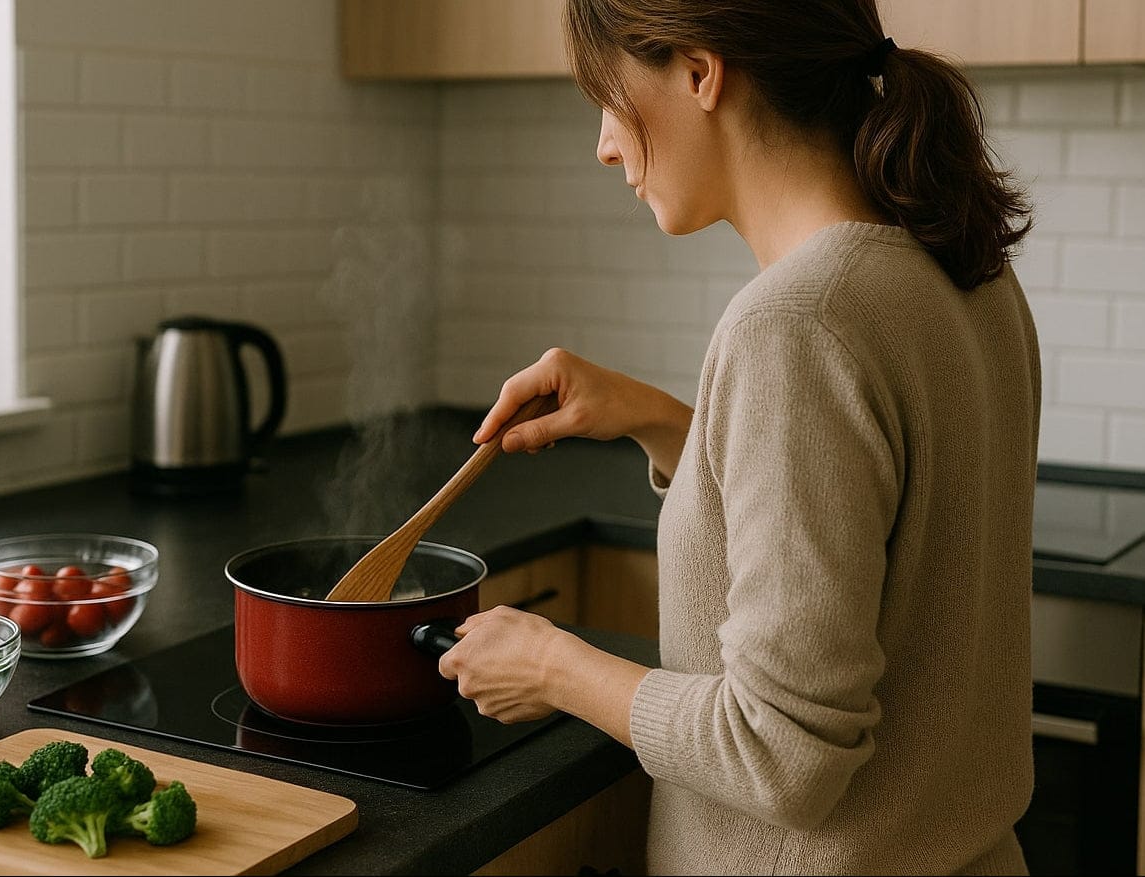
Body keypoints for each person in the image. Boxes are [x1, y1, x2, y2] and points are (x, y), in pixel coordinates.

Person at [436, 1, 1041, 874]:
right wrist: (661, 419)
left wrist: (554, 666)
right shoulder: (965, 272)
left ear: (698, 71)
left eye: (608, 95)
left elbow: (779, 752)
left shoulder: (795, 325)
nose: (605, 144)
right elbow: (869, 532)